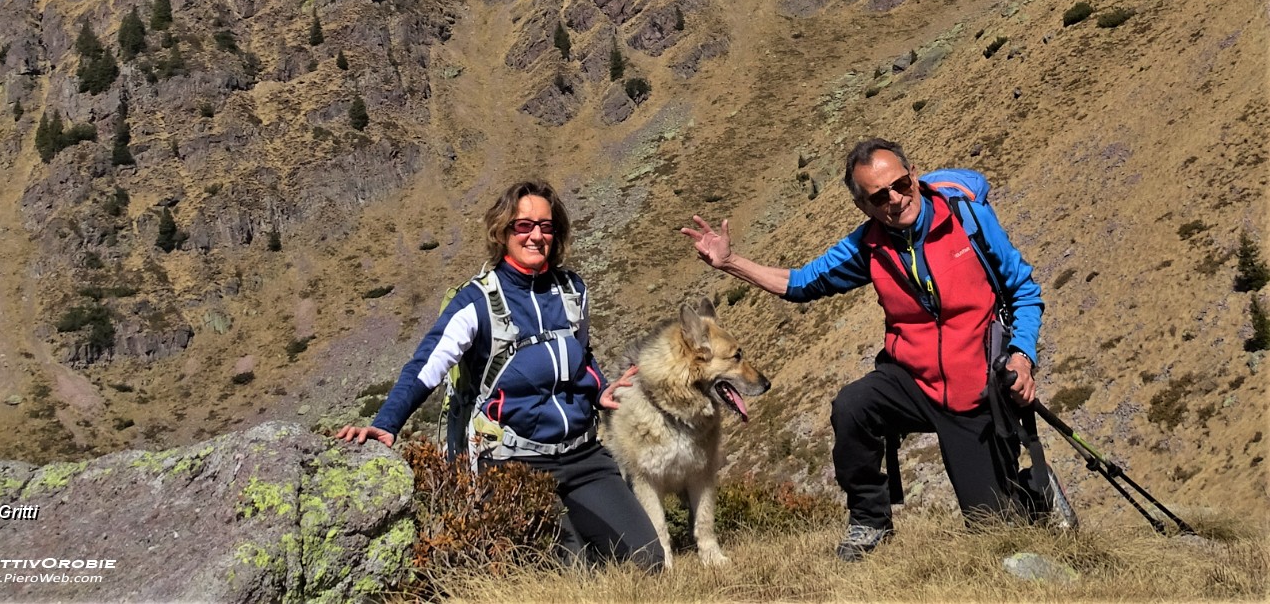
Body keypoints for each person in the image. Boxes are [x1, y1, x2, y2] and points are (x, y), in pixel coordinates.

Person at [682, 138, 1044, 561]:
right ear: (864, 206)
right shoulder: (867, 246)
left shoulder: (969, 220)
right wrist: (729, 262)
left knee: (993, 530)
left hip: (975, 392)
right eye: (879, 195)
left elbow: (1024, 290)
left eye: (901, 184)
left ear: (914, 176)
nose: (895, 199)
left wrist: (1022, 354)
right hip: (912, 381)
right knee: (853, 405)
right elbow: (800, 283)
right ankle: (869, 521)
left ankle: (1035, 495)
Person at [334, 178, 664, 571]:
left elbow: (581, 354)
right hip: (512, 462)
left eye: (545, 226)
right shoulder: (476, 301)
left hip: (581, 454)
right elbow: (427, 365)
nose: (536, 235)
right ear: (503, 231)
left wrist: (598, 391)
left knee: (649, 560)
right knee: (570, 574)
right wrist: (387, 423)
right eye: (523, 226)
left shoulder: (572, 290)